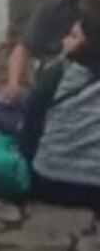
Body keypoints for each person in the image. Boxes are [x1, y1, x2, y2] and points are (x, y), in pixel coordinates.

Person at [0, 0, 100, 134]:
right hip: (46, 97)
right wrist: (13, 83)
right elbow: (22, 49)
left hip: (84, 101)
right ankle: (34, 132)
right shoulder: (52, 11)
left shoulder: (94, 19)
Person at [15, 14, 100, 208]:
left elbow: (31, 124)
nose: (64, 40)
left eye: (72, 36)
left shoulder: (59, 73)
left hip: (49, 181)